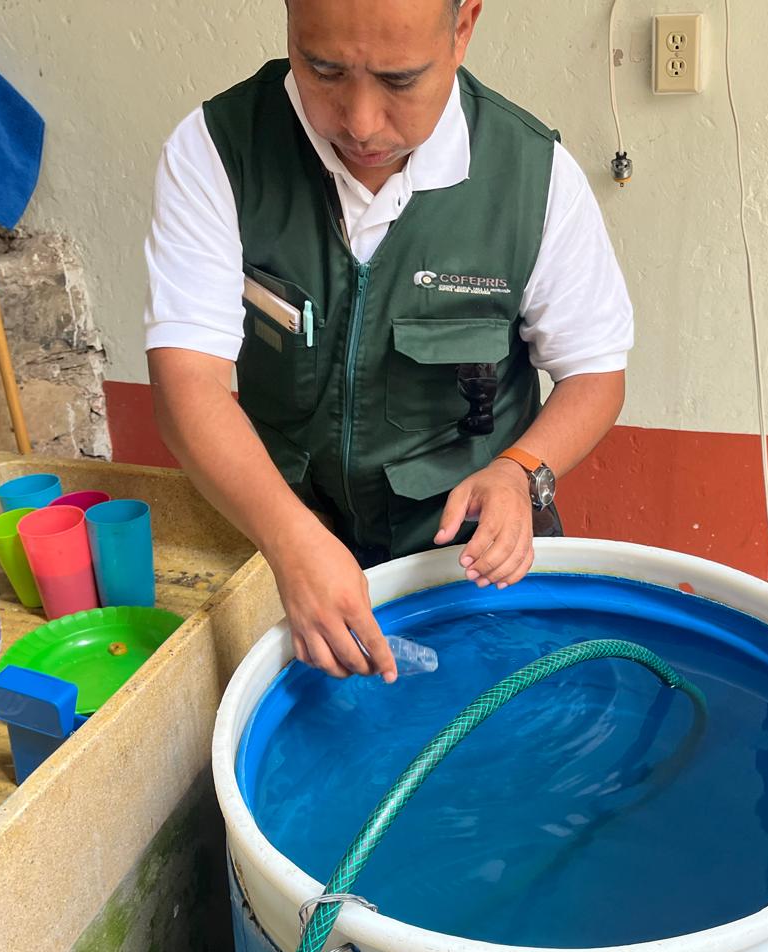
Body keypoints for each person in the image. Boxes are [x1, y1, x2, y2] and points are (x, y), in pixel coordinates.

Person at [144, 0, 632, 682]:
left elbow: (595, 374)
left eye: (400, 80)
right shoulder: (218, 151)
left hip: (467, 564)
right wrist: (290, 539)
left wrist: (521, 470)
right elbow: (186, 384)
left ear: (463, 28)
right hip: (288, 536)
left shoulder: (534, 177)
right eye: (324, 70)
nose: (361, 122)